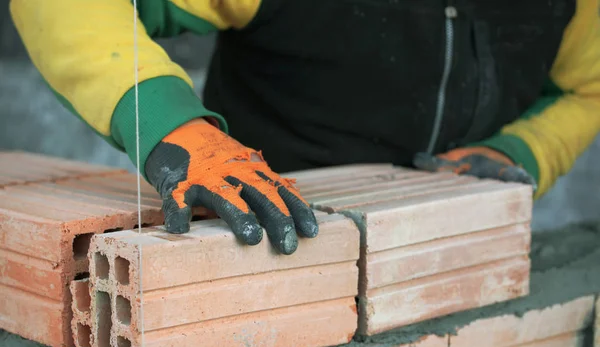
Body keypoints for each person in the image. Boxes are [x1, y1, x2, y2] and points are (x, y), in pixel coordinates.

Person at [10, 0, 600, 255]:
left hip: (451, 255)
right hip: (257, 246)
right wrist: (169, 123)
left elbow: (586, 87)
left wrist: (525, 147)